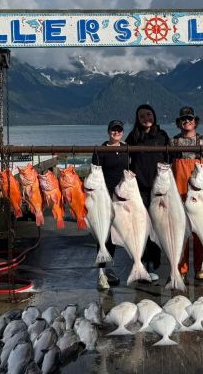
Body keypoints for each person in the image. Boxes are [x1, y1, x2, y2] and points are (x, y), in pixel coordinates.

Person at [125, 104, 170, 281]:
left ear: (154, 116)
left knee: (157, 227)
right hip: (139, 189)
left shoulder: (162, 136)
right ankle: (140, 262)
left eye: (149, 114)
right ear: (138, 119)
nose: (146, 118)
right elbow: (125, 160)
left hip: (159, 189)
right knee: (140, 227)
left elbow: (170, 159)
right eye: (142, 116)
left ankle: (154, 264)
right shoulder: (133, 136)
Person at [169, 106, 203, 281]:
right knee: (181, 230)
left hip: (199, 192)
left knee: (200, 229)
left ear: (195, 121)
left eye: (190, 119)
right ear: (179, 123)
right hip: (179, 192)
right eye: (183, 119)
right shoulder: (172, 142)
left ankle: (201, 268)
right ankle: (181, 268)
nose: (187, 122)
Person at [91, 119, 130, 290]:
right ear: (108, 131)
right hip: (103, 198)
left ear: (122, 132)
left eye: (119, 130)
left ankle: (107, 270)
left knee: (114, 236)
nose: (116, 132)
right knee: (103, 235)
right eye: (113, 130)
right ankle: (100, 273)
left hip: (120, 197)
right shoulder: (100, 150)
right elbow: (95, 174)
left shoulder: (126, 149)